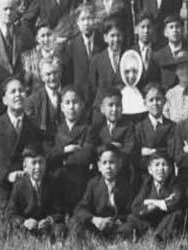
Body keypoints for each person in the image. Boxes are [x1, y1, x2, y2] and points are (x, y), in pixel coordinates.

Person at [0, 76, 43, 205]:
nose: (18, 95)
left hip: (28, 193)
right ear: (5, 100)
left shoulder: (33, 125)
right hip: (5, 193)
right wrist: (6, 176)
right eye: (13, 91)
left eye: (21, 91)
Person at [69, 144, 133, 241]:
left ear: (119, 164)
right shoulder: (93, 183)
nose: (108, 167)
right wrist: (94, 219)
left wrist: (116, 221)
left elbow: (129, 211)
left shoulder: (125, 184)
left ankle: (116, 239)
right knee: (76, 221)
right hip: (98, 223)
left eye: (112, 162)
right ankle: (94, 239)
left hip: (117, 224)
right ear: (99, 166)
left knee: (130, 226)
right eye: (104, 163)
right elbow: (81, 207)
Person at [48, 86, 94, 214]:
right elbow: (49, 154)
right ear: (62, 107)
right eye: (67, 103)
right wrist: (65, 150)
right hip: (58, 179)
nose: (71, 107)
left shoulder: (88, 129)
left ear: (82, 105)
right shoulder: (56, 129)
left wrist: (62, 161)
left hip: (79, 178)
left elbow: (86, 155)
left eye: (75, 102)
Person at [5, 146, 66, 241]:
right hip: (27, 226)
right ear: (25, 167)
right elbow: (11, 213)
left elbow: (60, 210)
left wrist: (49, 220)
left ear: (46, 164)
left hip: (47, 225)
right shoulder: (20, 185)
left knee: (60, 229)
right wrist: (24, 222)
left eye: (41, 162)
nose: (38, 167)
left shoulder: (52, 182)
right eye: (34, 163)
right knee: (13, 231)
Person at [122, 150, 183, 241]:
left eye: (164, 165)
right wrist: (156, 204)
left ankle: (158, 237)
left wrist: (151, 202)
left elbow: (176, 201)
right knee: (132, 218)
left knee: (176, 214)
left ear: (170, 169)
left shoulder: (174, 183)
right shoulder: (147, 183)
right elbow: (136, 207)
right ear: (150, 170)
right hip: (149, 219)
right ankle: (140, 235)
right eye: (157, 165)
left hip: (164, 220)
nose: (161, 168)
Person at [86, 89, 137, 182]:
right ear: (102, 109)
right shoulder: (97, 127)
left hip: (122, 170)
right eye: (110, 105)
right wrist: (112, 146)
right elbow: (93, 149)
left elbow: (129, 149)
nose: (114, 109)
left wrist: (106, 148)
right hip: (101, 171)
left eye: (118, 105)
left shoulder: (129, 126)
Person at [61, 4, 103, 109]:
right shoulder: (71, 45)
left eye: (89, 18)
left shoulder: (102, 42)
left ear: (95, 20)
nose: (86, 23)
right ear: (78, 22)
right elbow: (68, 75)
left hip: (99, 97)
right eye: (83, 19)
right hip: (79, 98)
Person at [134, 83, 176, 169]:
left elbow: (172, 151)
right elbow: (135, 153)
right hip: (145, 171)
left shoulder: (172, 126)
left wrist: (152, 151)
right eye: (151, 100)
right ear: (145, 103)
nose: (155, 103)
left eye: (158, 99)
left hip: (166, 170)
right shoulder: (139, 127)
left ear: (164, 101)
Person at [88, 19, 125, 112]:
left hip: (123, 108)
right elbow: (93, 88)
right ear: (105, 38)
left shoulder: (129, 57)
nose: (116, 39)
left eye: (119, 35)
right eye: (112, 36)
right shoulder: (97, 60)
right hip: (101, 109)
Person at [25, 56, 63, 141]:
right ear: (42, 77)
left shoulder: (69, 95)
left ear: (61, 73)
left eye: (55, 73)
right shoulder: (32, 101)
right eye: (48, 74)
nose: (52, 78)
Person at [20, 22, 58, 95]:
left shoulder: (61, 56)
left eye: (49, 35)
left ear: (54, 36)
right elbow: (26, 83)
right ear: (37, 39)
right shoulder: (29, 59)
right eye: (43, 36)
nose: (46, 39)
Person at [152, 14, 187, 90]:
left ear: (182, 30)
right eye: (171, 27)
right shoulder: (157, 56)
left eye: (177, 27)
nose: (175, 30)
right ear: (165, 33)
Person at [119, 49, 147, 119]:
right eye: (127, 72)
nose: (131, 76)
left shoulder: (143, 94)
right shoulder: (119, 94)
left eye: (134, 71)